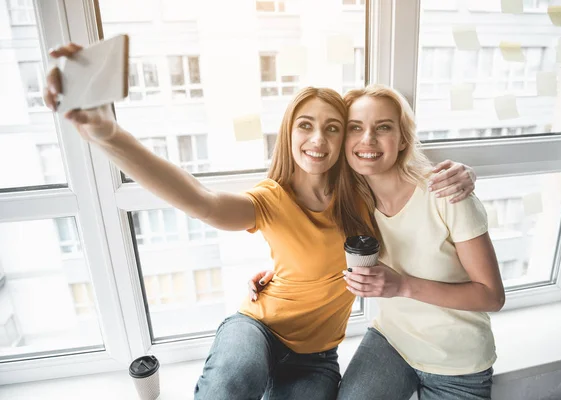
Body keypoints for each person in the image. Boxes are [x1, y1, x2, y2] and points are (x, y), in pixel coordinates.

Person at [44, 44, 477, 400]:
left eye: (332, 128)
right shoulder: (271, 199)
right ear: (289, 134)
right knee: (231, 384)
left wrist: (464, 172)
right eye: (305, 125)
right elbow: (202, 202)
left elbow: (402, 171)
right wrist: (106, 133)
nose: (317, 139)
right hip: (258, 329)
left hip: (318, 357)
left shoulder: (362, 195)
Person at [336, 84, 505, 400]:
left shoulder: (446, 194)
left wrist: (401, 286)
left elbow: (492, 297)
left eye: (383, 127)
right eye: (354, 128)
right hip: (392, 341)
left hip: (458, 364)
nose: (367, 139)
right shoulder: (351, 201)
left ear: (402, 139)